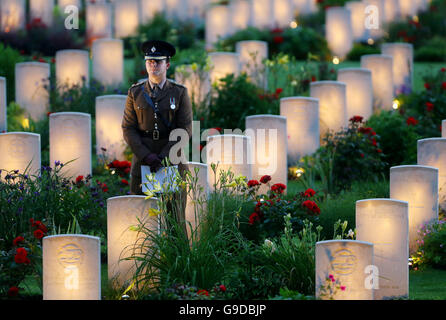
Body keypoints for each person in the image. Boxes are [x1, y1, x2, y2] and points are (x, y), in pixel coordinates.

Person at [122, 40, 192, 227]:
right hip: (143, 161)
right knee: (142, 220)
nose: (153, 66)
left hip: (171, 161)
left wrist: (162, 157)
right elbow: (128, 128)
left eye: (158, 61)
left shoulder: (179, 93)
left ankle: (177, 256)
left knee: (175, 220)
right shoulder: (135, 92)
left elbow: (184, 129)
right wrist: (147, 156)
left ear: (167, 64)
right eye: (149, 62)